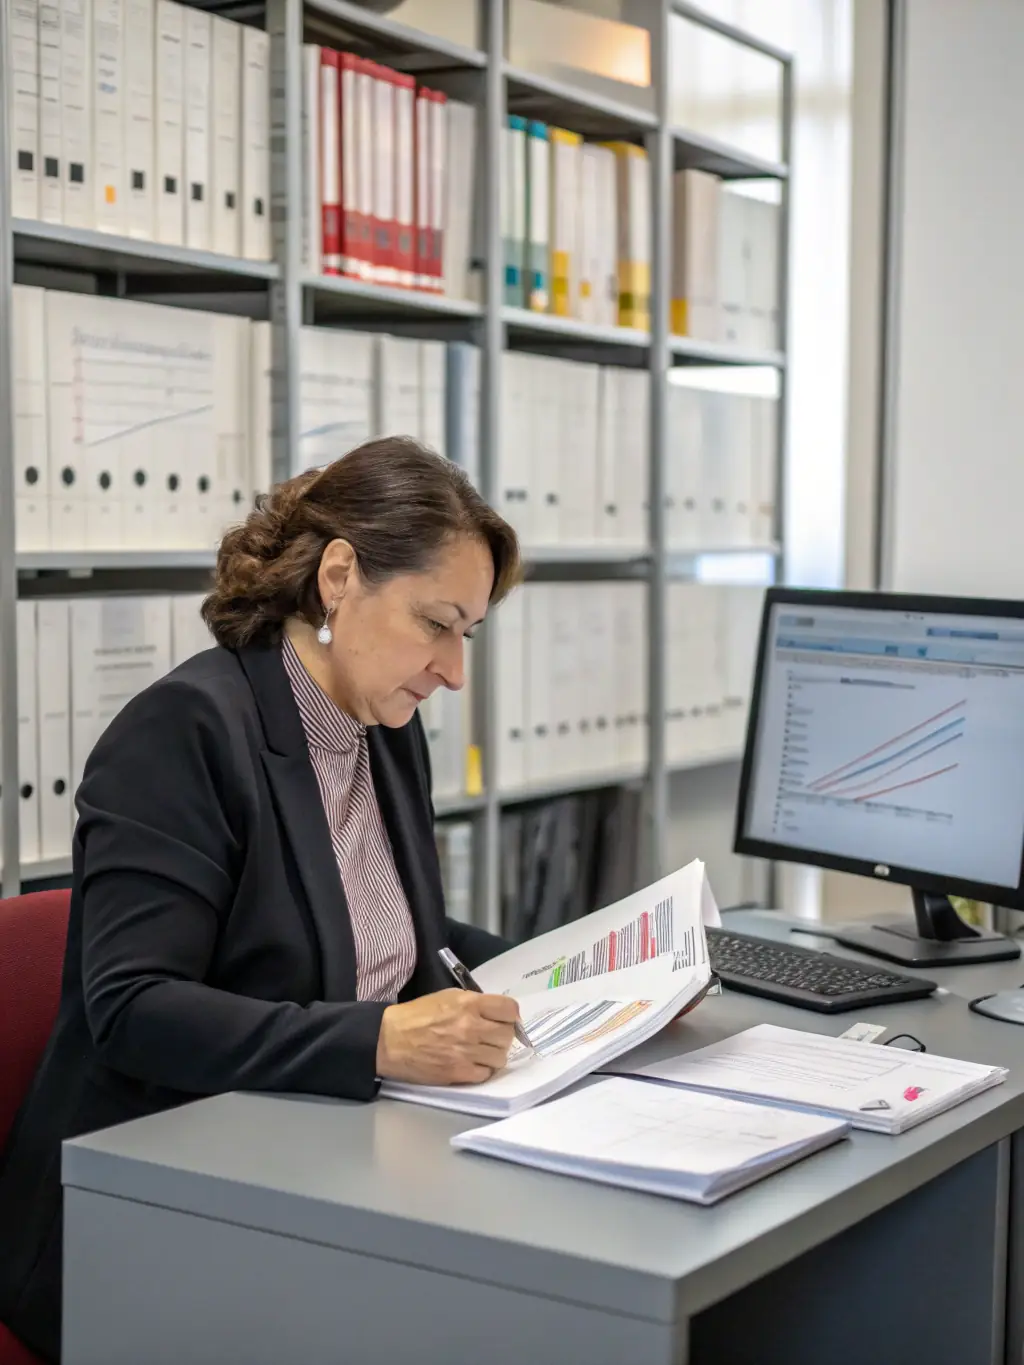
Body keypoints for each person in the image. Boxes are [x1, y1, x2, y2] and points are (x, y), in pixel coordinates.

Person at [0, 438, 523, 1363]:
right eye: (436, 622)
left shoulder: (381, 723)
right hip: (146, 1207)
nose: (453, 670)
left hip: (310, 1158)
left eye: (467, 633)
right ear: (339, 576)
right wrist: (379, 1040)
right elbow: (133, 1006)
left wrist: (582, 962)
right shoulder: (186, 731)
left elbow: (397, 936)